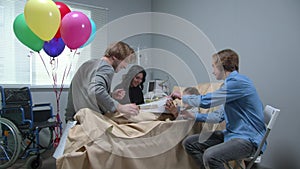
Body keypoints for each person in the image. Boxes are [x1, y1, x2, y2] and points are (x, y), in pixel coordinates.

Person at [170, 49, 266, 169]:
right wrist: (193, 116)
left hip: (248, 140)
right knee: (190, 143)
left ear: (221, 66)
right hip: (232, 134)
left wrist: (183, 97)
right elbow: (219, 116)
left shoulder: (238, 83)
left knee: (210, 156)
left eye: (214, 67)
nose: (212, 71)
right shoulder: (229, 85)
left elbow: (207, 101)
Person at [65, 41, 139, 122]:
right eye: (125, 62)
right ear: (114, 57)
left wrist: (111, 95)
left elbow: (89, 92)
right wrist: (119, 107)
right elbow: (95, 90)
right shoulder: (106, 68)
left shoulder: (90, 64)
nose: (125, 66)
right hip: (83, 120)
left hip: (72, 117)